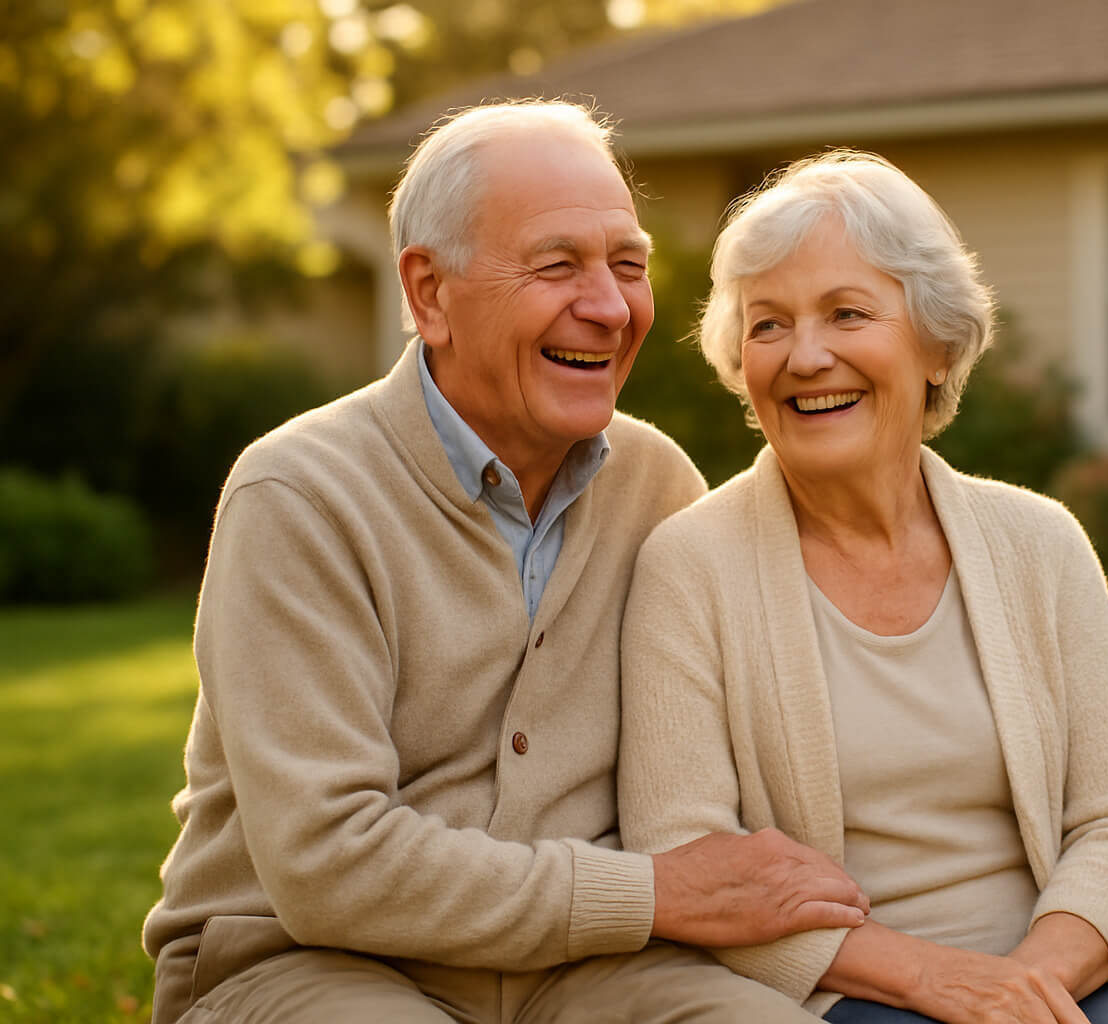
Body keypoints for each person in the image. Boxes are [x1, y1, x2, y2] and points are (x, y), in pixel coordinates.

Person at [141, 102, 871, 1024]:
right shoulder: (299, 496)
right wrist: (652, 895)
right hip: (306, 963)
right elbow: (329, 866)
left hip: (584, 972)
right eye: (557, 264)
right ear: (428, 294)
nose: (609, 306)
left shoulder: (658, 488)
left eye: (628, 265)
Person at [618, 151, 1108, 1024]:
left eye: (847, 313)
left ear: (936, 345)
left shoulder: (1040, 543)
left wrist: (1025, 989)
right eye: (769, 325)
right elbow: (688, 862)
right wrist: (934, 982)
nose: (807, 356)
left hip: (1081, 977)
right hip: (849, 993)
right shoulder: (689, 568)